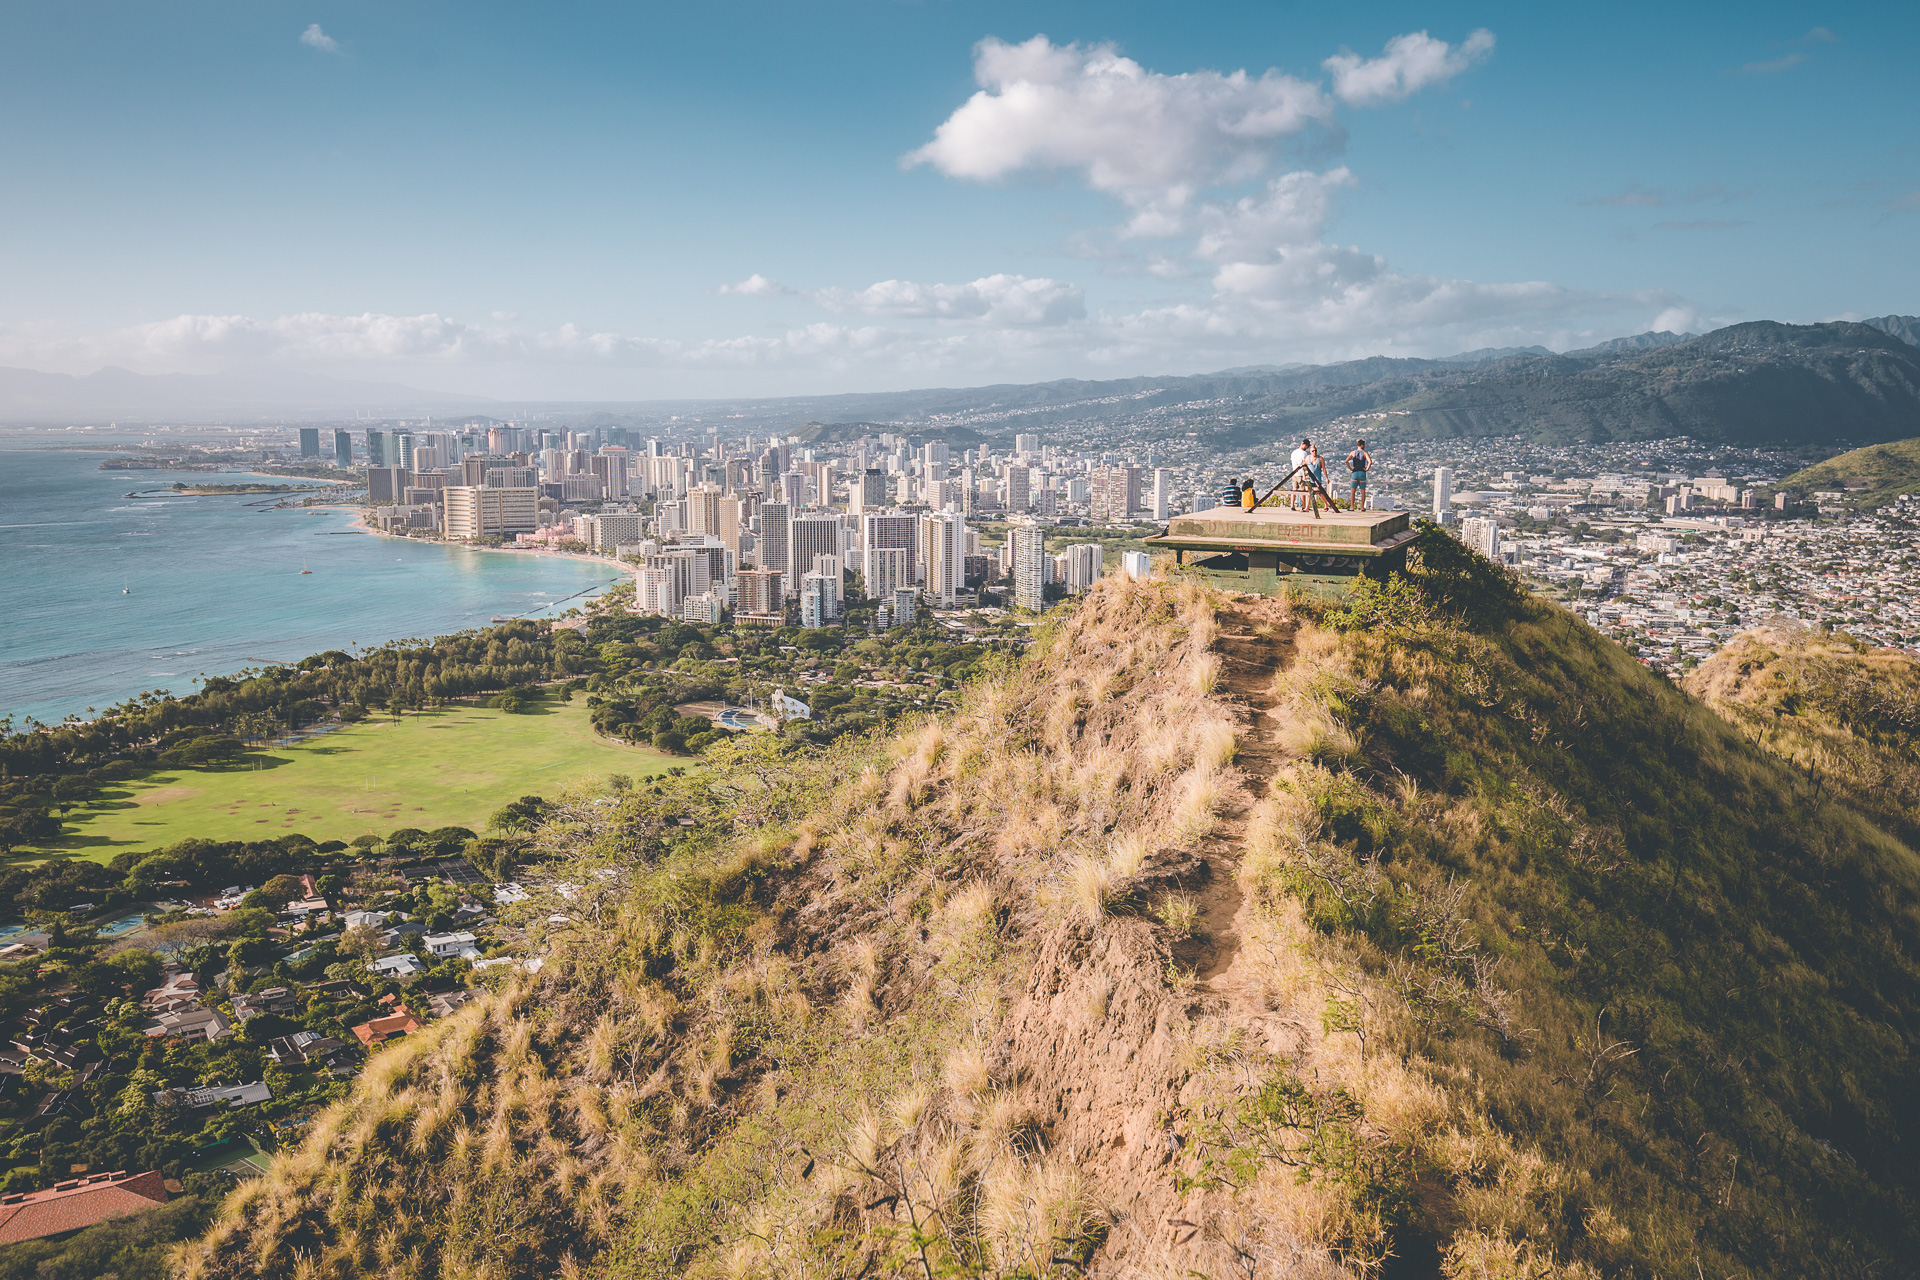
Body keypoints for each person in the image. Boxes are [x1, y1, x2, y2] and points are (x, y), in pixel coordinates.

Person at [1345, 439, 1372, 510]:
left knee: (1353, 491)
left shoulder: (1353, 452)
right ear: (1362, 445)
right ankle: (1362, 507)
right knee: (1363, 491)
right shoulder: (1365, 453)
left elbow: (1346, 461)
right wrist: (1367, 469)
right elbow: (1370, 462)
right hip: (1362, 472)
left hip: (1355, 472)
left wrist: (1351, 468)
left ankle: (1352, 507)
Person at [1289, 438, 1313, 511]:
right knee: (1303, 491)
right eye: (1307, 446)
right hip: (1301, 474)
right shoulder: (1304, 453)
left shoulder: (1294, 452)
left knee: (1294, 490)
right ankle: (1304, 506)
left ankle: (1292, 505)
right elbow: (1304, 463)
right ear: (1304, 445)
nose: (1307, 448)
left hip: (1294, 473)